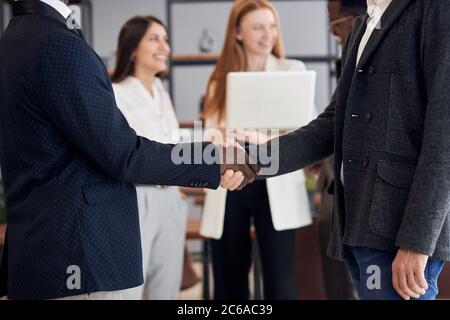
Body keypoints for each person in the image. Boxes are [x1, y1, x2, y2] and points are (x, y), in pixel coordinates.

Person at [0, 0, 258, 300]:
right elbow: (124, 153)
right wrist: (212, 159)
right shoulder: (57, 43)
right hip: (80, 255)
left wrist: (210, 142)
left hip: (45, 250)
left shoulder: (15, 38)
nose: (164, 46)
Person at [251, 0, 450, 300]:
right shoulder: (363, 24)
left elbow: (444, 137)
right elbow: (332, 125)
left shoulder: (435, 9)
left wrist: (417, 242)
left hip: (399, 236)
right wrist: (251, 160)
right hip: (357, 226)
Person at [200, 0, 313, 300]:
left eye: (272, 26)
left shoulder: (292, 71)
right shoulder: (219, 81)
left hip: (275, 180)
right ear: (237, 33)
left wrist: (265, 139)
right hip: (230, 184)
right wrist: (221, 136)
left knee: (280, 283)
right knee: (229, 281)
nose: (268, 34)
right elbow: (209, 135)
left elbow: (310, 131)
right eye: (258, 27)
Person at [111, 16, 188, 300]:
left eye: (166, 40)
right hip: (136, 199)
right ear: (132, 49)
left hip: (170, 199)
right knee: (128, 290)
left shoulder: (160, 92)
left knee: (166, 289)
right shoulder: (115, 94)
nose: (164, 47)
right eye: (154, 39)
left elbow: (173, 143)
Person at [313, 0, 367, 300]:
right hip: (336, 186)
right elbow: (333, 123)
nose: (332, 33)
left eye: (334, 23)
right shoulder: (348, 53)